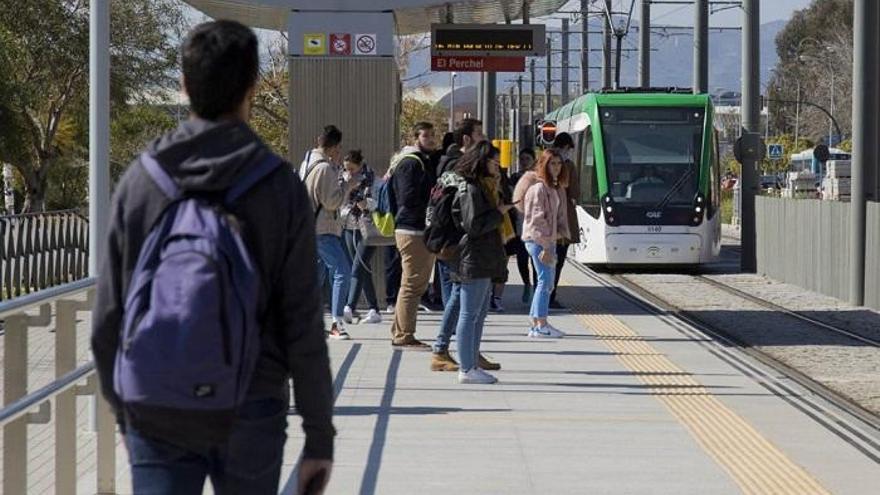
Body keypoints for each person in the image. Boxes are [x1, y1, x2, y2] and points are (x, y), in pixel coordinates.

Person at [92, 20, 334, 495]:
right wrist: (319, 436)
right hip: (252, 402)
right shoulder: (279, 186)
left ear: (182, 85)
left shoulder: (142, 182)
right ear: (252, 86)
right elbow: (302, 321)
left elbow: (108, 317)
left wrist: (126, 412)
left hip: (157, 406)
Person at [431, 119, 501, 373]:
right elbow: (470, 216)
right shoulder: (460, 168)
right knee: (462, 302)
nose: (484, 137)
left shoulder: (460, 166)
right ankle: (452, 353)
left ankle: (467, 353)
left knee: (464, 301)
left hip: (461, 244)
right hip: (459, 245)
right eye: (479, 133)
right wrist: (497, 212)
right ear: (467, 139)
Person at [451, 141, 512, 384]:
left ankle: (471, 363)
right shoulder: (472, 189)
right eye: (493, 161)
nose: (497, 166)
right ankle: (466, 368)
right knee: (469, 314)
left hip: (483, 256)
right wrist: (499, 213)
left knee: (477, 314)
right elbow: (473, 225)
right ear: (481, 161)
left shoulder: (484, 188)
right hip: (474, 256)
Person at [302, 125, 360, 340]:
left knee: (317, 276)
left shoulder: (307, 163)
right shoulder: (324, 168)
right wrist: (347, 185)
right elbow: (332, 202)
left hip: (308, 227)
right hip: (323, 229)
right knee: (342, 271)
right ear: (335, 147)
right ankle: (336, 322)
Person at [388, 122, 437, 348]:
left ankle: (401, 331)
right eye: (426, 135)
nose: (431, 139)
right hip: (412, 229)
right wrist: (430, 203)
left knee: (413, 283)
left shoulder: (417, 161)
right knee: (412, 284)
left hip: (413, 228)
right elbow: (408, 197)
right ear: (415, 137)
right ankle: (404, 334)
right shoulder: (410, 163)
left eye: (432, 135)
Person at [522, 149, 570, 338]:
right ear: (543, 165)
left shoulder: (555, 188)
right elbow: (536, 220)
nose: (556, 167)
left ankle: (537, 323)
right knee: (544, 281)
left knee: (546, 282)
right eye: (552, 163)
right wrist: (546, 246)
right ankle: (541, 324)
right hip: (538, 240)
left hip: (547, 239)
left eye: (559, 163)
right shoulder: (539, 189)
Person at [340, 150, 382, 325]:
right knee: (362, 268)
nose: (349, 172)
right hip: (349, 225)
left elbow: (379, 201)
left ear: (360, 164)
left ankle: (349, 306)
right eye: (346, 169)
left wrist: (367, 203)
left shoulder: (373, 179)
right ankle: (374, 309)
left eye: (352, 168)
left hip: (368, 227)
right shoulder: (343, 179)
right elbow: (338, 200)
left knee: (358, 266)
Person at [549, 132, 580, 310]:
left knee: (543, 261)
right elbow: (575, 193)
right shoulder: (568, 166)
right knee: (558, 261)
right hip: (563, 221)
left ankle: (541, 295)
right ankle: (550, 297)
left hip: (545, 221)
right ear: (566, 147)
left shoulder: (543, 162)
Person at [510, 148, 537, 304]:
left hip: (535, 225)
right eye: (522, 159)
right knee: (522, 259)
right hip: (519, 224)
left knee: (535, 260)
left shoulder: (538, 178)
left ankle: (535, 287)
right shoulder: (514, 178)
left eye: (527, 158)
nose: (524, 162)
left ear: (533, 160)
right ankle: (526, 283)